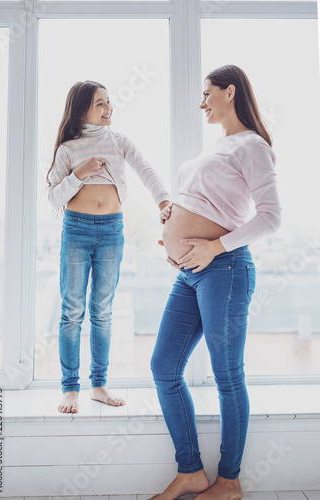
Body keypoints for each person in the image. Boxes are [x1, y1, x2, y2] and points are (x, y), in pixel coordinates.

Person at [150, 65, 282, 500]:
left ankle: (228, 482)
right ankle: (190, 471)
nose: (201, 102)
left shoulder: (252, 146)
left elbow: (270, 217)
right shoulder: (220, 148)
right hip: (190, 274)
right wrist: (174, 226)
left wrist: (211, 247)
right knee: (164, 368)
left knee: (227, 375)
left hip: (224, 271)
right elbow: (205, 204)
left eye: (207, 93)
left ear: (230, 92)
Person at [46, 80, 170, 414]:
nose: (108, 108)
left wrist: (162, 201)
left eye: (109, 102)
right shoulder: (68, 149)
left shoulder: (119, 142)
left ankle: (98, 385)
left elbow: (145, 169)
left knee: (102, 310)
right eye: (100, 103)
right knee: (72, 311)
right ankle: (70, 389)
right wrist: (81, 173)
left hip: (112, 230)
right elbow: (54, 196)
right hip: (77, 230)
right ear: (82, 108)